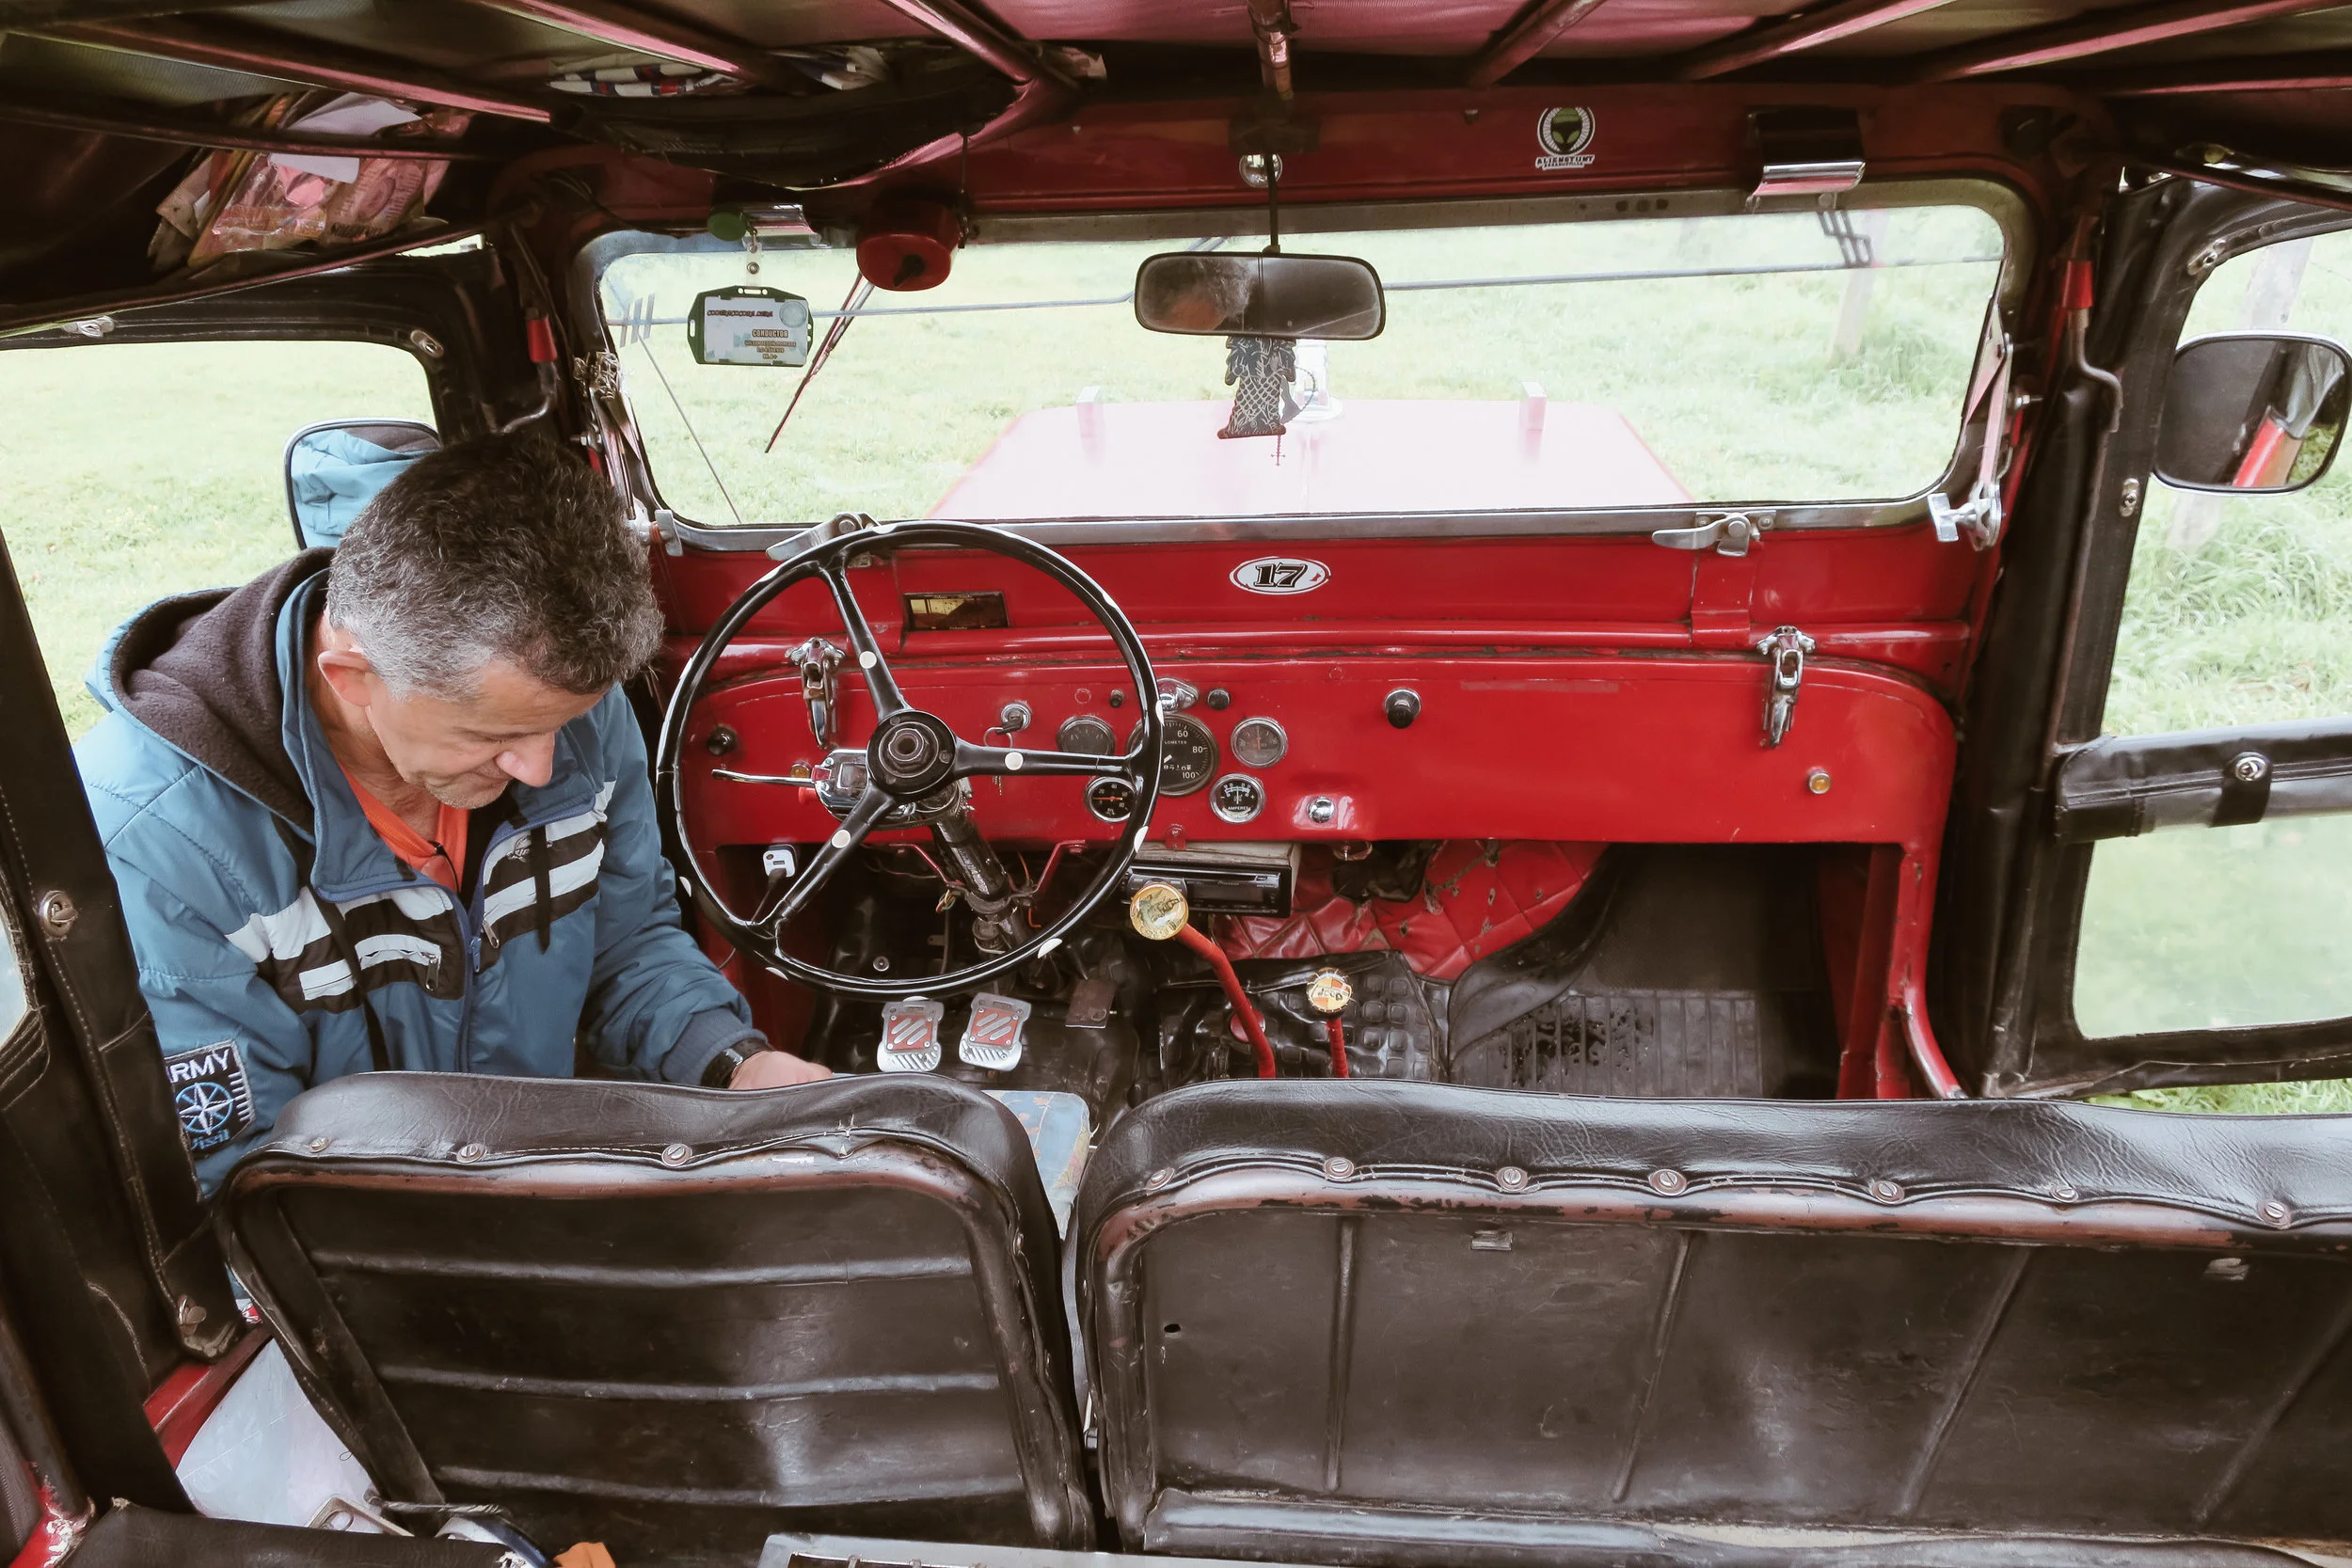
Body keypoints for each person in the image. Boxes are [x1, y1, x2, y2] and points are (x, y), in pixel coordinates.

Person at [75, 432, 828, 1196]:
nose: (540, 766)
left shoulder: (563, 709)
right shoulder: (157, 843)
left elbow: (627, 947)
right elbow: (246, 1180)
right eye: (494, 735)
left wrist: (738, 1065)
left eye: (560, 726)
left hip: (532, 1197)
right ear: (353, 677)